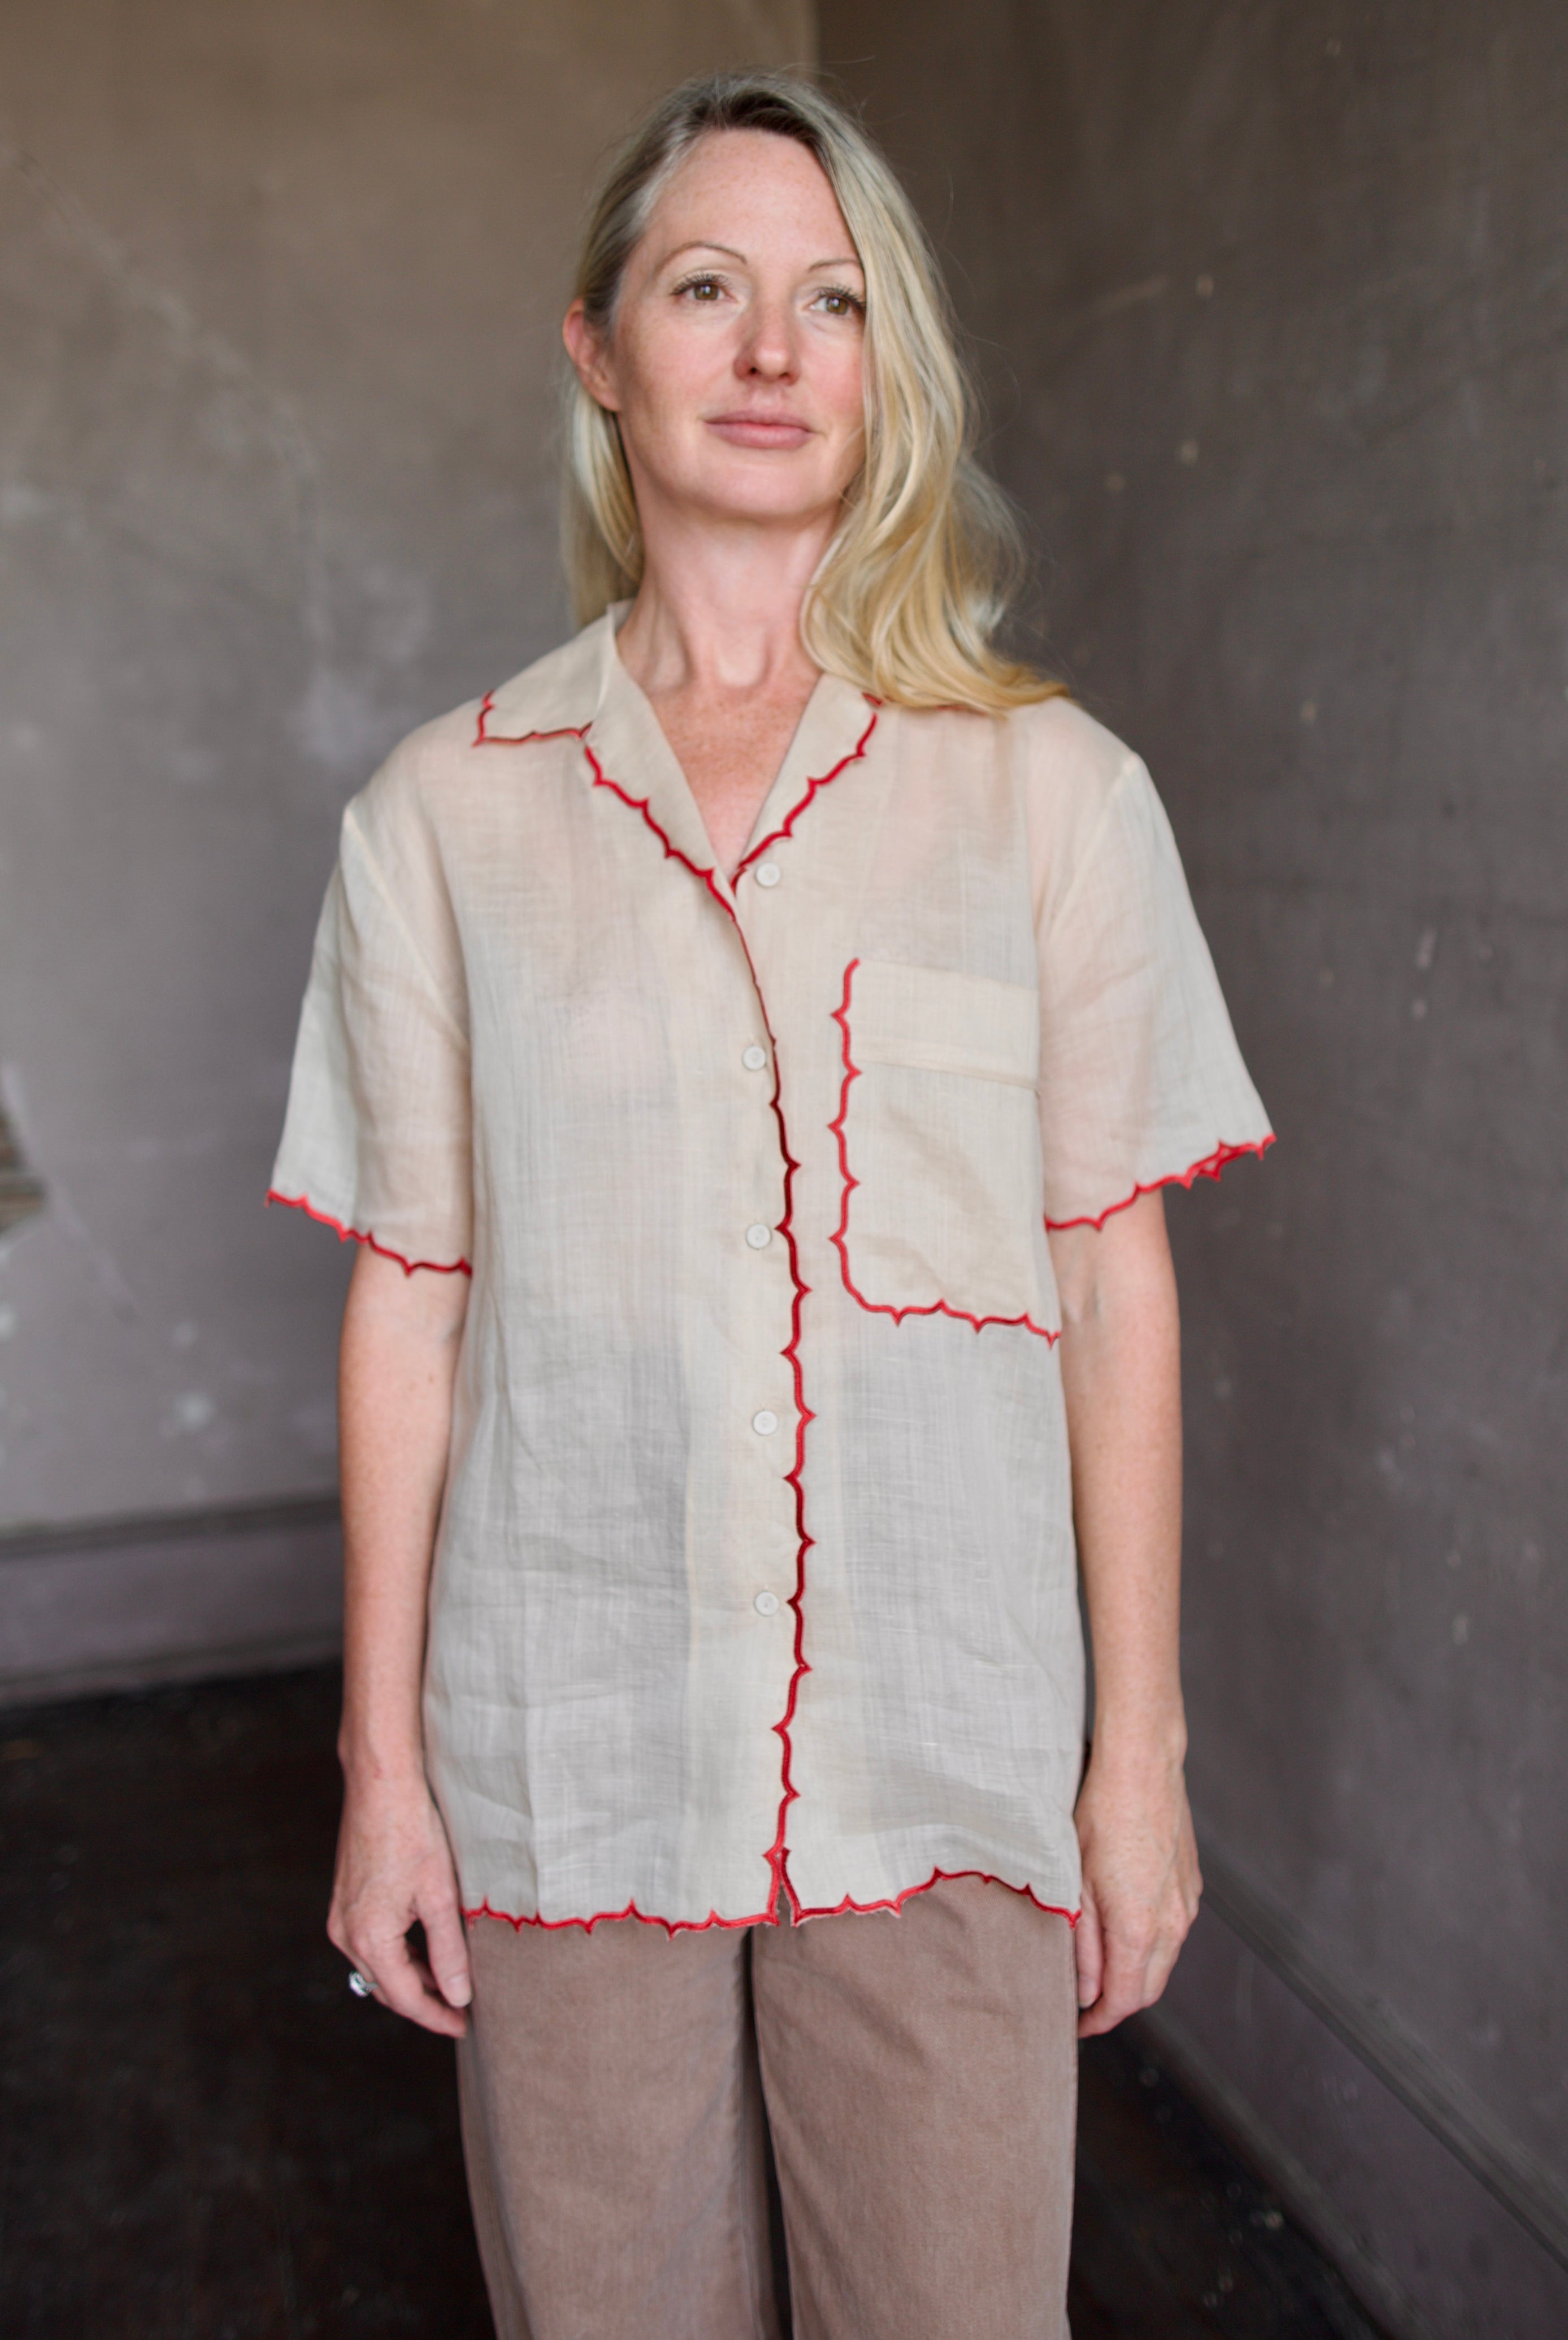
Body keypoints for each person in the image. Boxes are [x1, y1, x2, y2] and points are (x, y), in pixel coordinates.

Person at [269, 70, 1271, 2340]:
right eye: (703, 287)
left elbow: (1111, 1292)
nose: (768, 347)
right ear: (597, 350)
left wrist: (1138, 1765)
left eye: (829, 301)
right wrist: (384, 1777)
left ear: (881, 364)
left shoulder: (1051, 798)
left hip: (944, 1766)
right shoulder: (442, 817)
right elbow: (410, 1301)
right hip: (569, 1764)